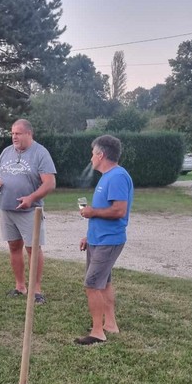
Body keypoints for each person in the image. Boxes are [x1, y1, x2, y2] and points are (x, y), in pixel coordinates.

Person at [0, 119, 56, 303]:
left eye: (17, 133)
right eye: (12, 133)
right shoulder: (6, 152)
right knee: (14, 247)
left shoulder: (40, 153)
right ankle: (20, 286)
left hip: (30, 211)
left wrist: (31, 198)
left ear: (28, 133)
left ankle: (36, 290)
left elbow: (50, 183)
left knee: (33, 249)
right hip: (7, 208)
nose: (14, 137)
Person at [76, 134, 133, 345]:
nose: (91, 158)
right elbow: (103, 211)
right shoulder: (107, 177)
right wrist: (88, 236)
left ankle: (97, 332)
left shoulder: (117, 176)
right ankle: (110, 324)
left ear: (101, 155)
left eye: (93, 154)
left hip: (109, 240)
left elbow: (119, 210)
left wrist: (92, 212)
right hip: (98, 239)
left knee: (92, 284)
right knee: (104, 283)